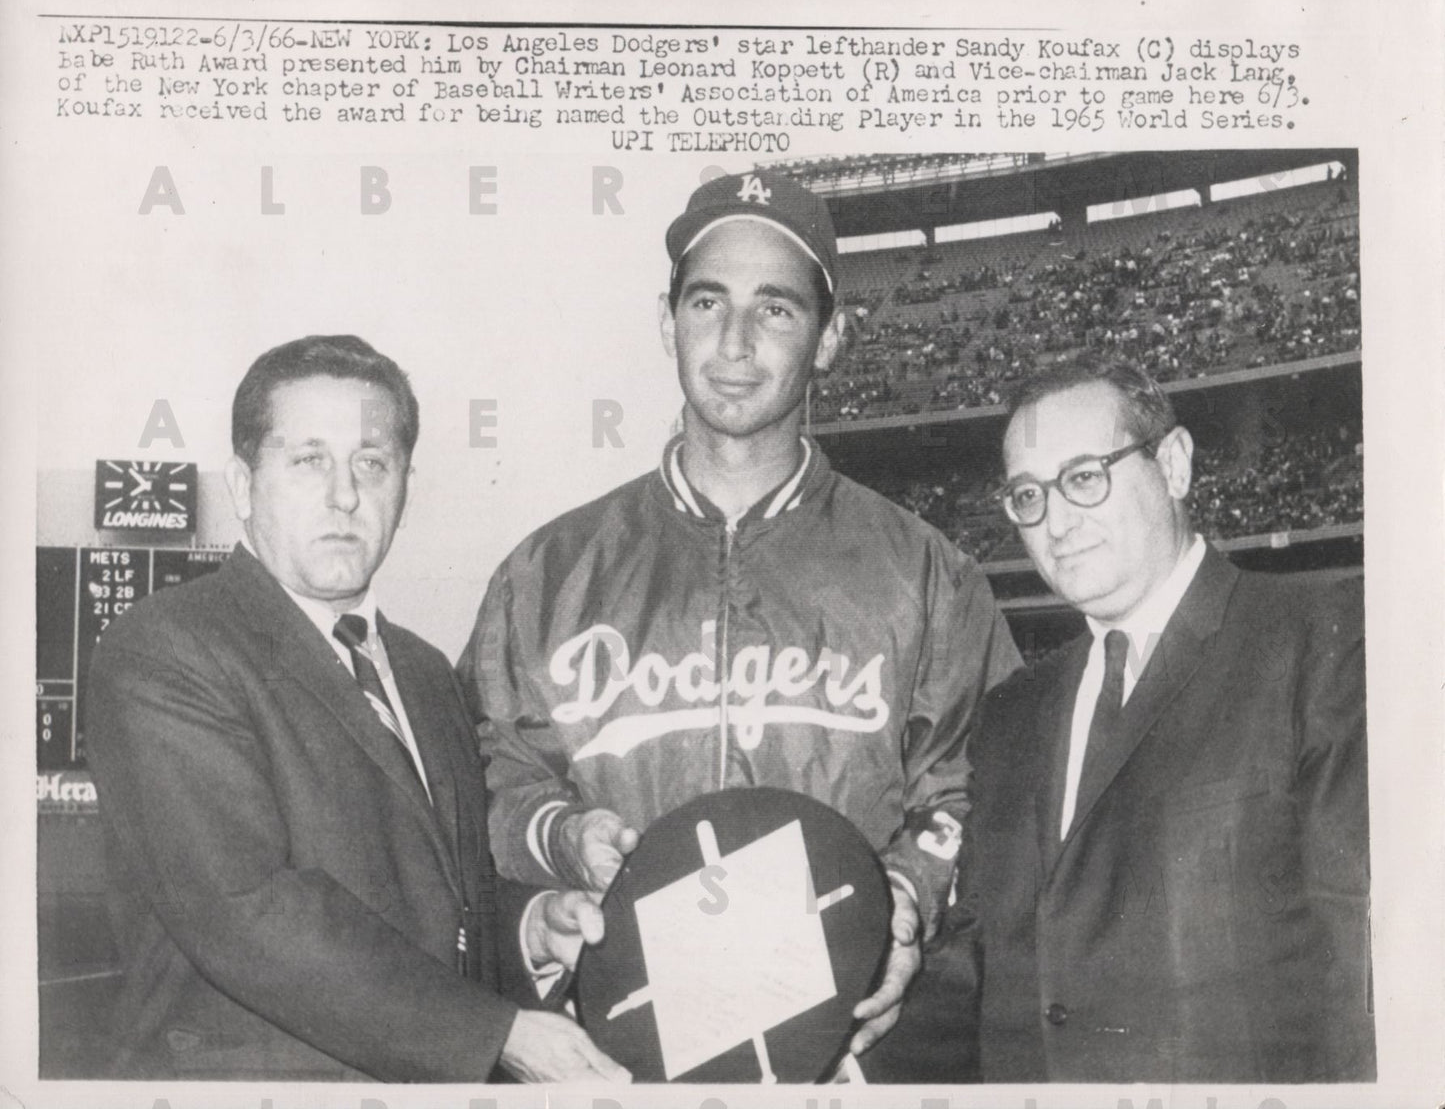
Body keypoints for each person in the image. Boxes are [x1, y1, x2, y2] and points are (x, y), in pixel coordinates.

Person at [457, 171, 1021, 1079]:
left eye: (776, 310)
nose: (733, 342)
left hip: (843, 1060)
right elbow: (485, 783)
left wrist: (906, 899)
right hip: (614, 1057)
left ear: (831, 337)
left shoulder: (925, 572)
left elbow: (974, 791)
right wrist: (562, 836)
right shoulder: (547, 572)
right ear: (665, 320)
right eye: (707, 301)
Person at [86, 335, 630, 1083]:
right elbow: (246, 907)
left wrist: (530, 925)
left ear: (404, 487)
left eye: (371, 463)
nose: (344, 494)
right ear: (243, 486)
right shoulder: (164, 648)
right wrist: (500, 1031)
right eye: (308, 460)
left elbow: (436, 898)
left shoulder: (424, 671)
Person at [961, 358, 1374, 1082]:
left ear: (1173, 465)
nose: (1054, 521)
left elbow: (1365, 973)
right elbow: (981, 972)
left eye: (1084, 477)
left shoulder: (1322, 644)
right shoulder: (1008, 714)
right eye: (1027, 495)